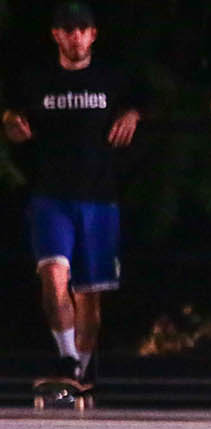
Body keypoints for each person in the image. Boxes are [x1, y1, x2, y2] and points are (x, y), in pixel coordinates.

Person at [4, 2, 143, 392]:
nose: (76, 36)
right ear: (56, 35)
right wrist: (11, 125)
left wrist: (133, 114)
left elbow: (140, 103)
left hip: (99, 198)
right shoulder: (37, 80)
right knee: (52, 276)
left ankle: (80, 372)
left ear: (93, 34)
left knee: (89, 297)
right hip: (51, 196)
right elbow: (14, 119)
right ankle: (66, 357)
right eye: (68, 30)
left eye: (82, 30)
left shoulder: (111, 78)